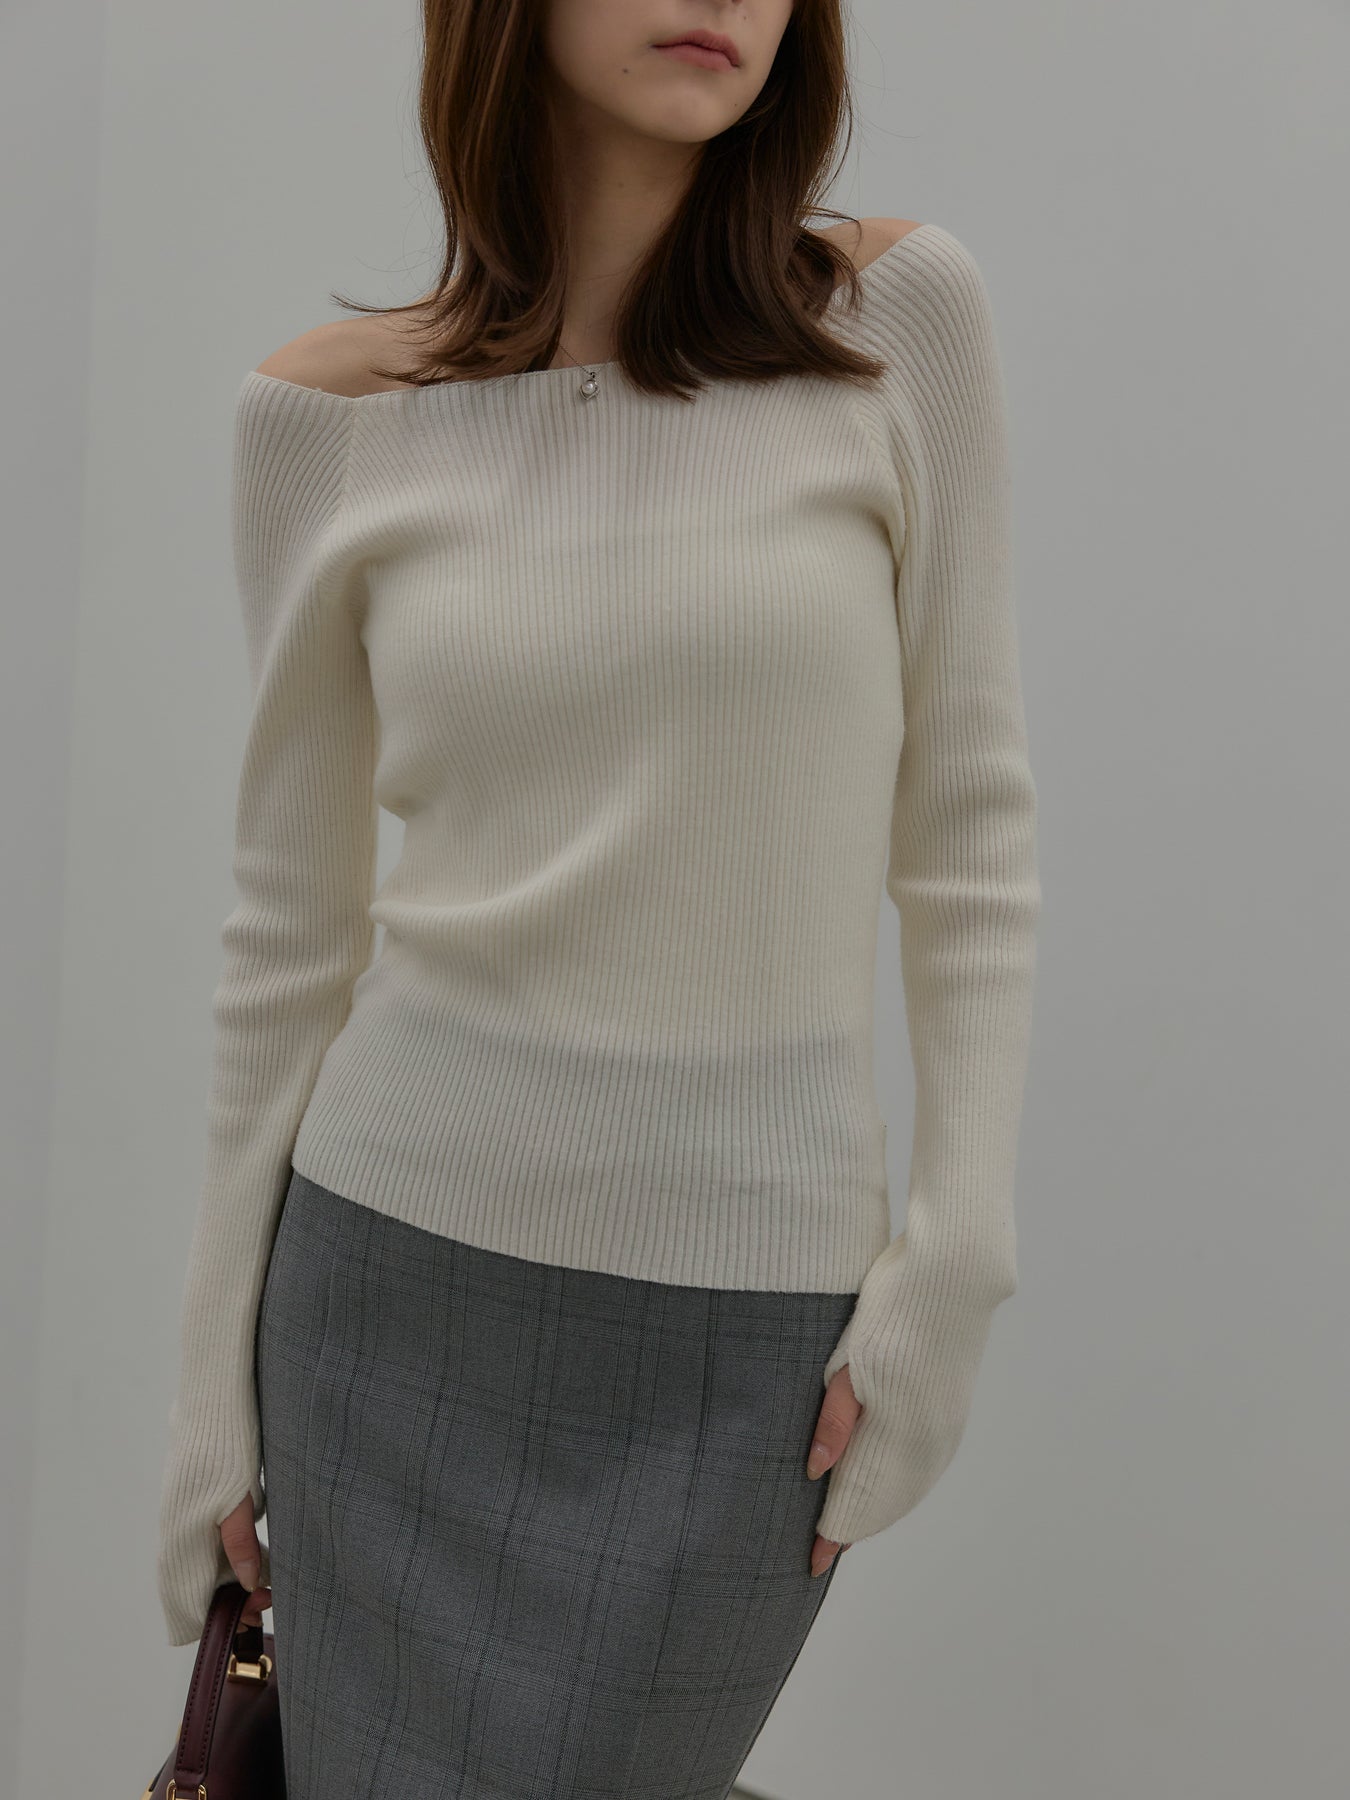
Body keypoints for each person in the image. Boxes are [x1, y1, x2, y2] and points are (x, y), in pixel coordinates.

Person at [155, 1, 1041, 1794]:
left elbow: (965, 827)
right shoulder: (322, 422)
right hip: (388, 1298)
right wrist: (205, 1393)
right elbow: (287, 935)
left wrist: (954, 1262)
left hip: (747, 1323)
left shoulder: (889, 321)